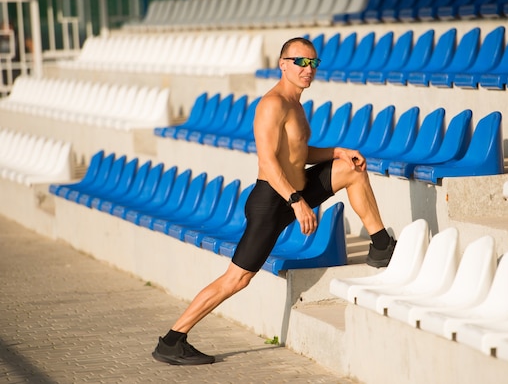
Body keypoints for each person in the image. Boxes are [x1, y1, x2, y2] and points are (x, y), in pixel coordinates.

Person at [152, 37, 396, 365]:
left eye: (313, 63)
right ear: (283, 64)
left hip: (297, 189)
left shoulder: (296, 104)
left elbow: (298, 154)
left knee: (350, 169)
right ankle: (172, 340)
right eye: (300, 62)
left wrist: (337, 151)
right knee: (237, 278)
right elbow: (268, 161)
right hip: (271, 201)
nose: (308, 69)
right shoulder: (273, 104)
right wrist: (296, 201)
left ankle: (381, 245)